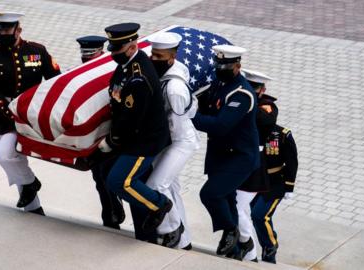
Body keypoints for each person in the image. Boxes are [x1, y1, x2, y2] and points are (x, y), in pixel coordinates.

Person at [0, 12, 61, 215]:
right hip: (2, 117)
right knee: (15, 160)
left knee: (4, 156)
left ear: (18, 30)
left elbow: (56, 80)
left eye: (7, 29)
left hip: (29, 116)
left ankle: (31, 183)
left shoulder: (37, 51)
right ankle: (34, 207)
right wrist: (10, 113)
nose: (3, 33)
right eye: (0, 29)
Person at [98, 23, 172, 237]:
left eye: (117, 50)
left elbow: (131, 119)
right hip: (132, 135)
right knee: (104, 171)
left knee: (120, 181)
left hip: (144, 140)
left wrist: (111, 141)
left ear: (131, 47)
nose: (113, 54)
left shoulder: (139, 76)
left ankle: (159, 205)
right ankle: (122, 210)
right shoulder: (127, 65)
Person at [192, 45, 260, 257]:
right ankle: (239, 248)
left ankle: (232, 232)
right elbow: (205, 105)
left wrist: (190, 116)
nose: (221, 68)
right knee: (227, 199)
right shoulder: (218, 86)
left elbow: (221, 125)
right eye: (218, 64)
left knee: (210, 194)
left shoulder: (242, 94)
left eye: (226, 65)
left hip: (239, 157)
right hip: (219, 155)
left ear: (238, 66)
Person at [146, 32, 200, 249]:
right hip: (171, 140)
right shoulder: (172, 70)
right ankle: (183, 241)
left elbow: (175, 126)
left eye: (158, 56)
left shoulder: (174, 88)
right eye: (152, 54)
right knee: (172, 188)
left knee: (157, 184)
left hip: (179, 141)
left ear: (171, 58)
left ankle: (171, 228)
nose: (153, 59)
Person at [76, 35, 126, 230]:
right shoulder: (79, 74)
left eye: (91, 55)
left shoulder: (113, 71)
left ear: (101, 53)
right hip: (93, 136)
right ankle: (110, 213)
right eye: (84, 56)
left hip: (115, 133)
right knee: (99, 176)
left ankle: (116, 206)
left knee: (114, 176)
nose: (86, 59)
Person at [228, 69, 275, 261]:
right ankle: (248, 252)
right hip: (236, 159)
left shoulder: (267, 106)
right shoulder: (239, 99)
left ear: (262, 90)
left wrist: (248, 104)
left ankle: (247, 246)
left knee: (238, 207)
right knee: (242, 209)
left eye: (255, 90)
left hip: (254, 162)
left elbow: (264, 122)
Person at [251, 124, 298, 264]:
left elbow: (292, 161)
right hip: (255, 181)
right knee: (256, 216)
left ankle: (270, 245)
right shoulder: (251, 129)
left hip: (275, 183)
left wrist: (289, 186)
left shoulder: (282, 134)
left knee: (259, 215)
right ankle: (262, 247)